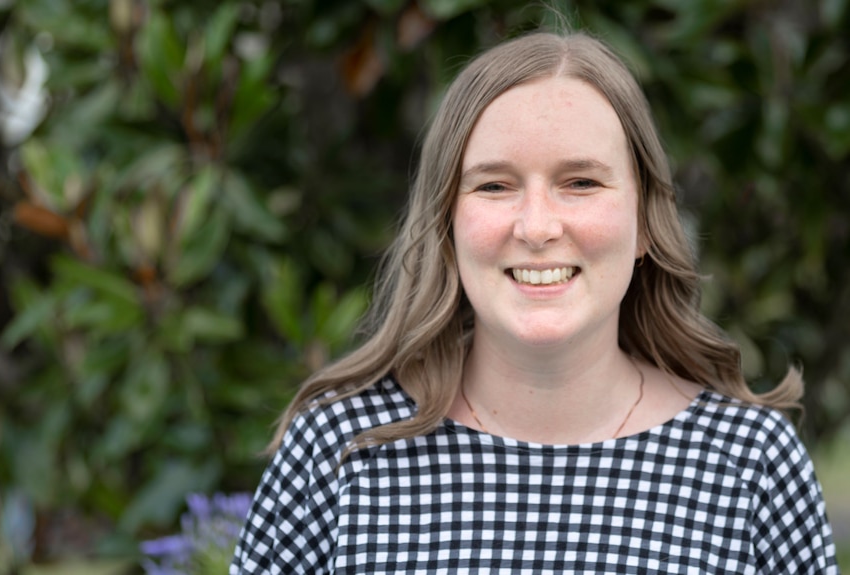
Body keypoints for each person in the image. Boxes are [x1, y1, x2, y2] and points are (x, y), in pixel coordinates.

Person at [231, 29, 839, 573]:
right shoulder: (340, 454)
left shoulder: (749, 466)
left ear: (647, 220)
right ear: (447, 223)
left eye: (581, 182)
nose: (538, 226)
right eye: (495, 185)